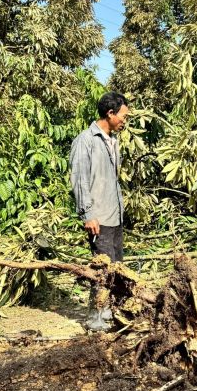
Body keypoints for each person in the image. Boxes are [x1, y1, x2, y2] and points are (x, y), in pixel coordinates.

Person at [70, 92, 129, 331]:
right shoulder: (85, 140)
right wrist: (87, 214)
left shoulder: (111, 140)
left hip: (114, 215)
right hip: (99, 218)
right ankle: (96, 319)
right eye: (123, 116)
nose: (125, 121)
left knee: (116, 268)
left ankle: (111, 313)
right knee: (102, 270)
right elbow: (80, 179)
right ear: (110, 113)